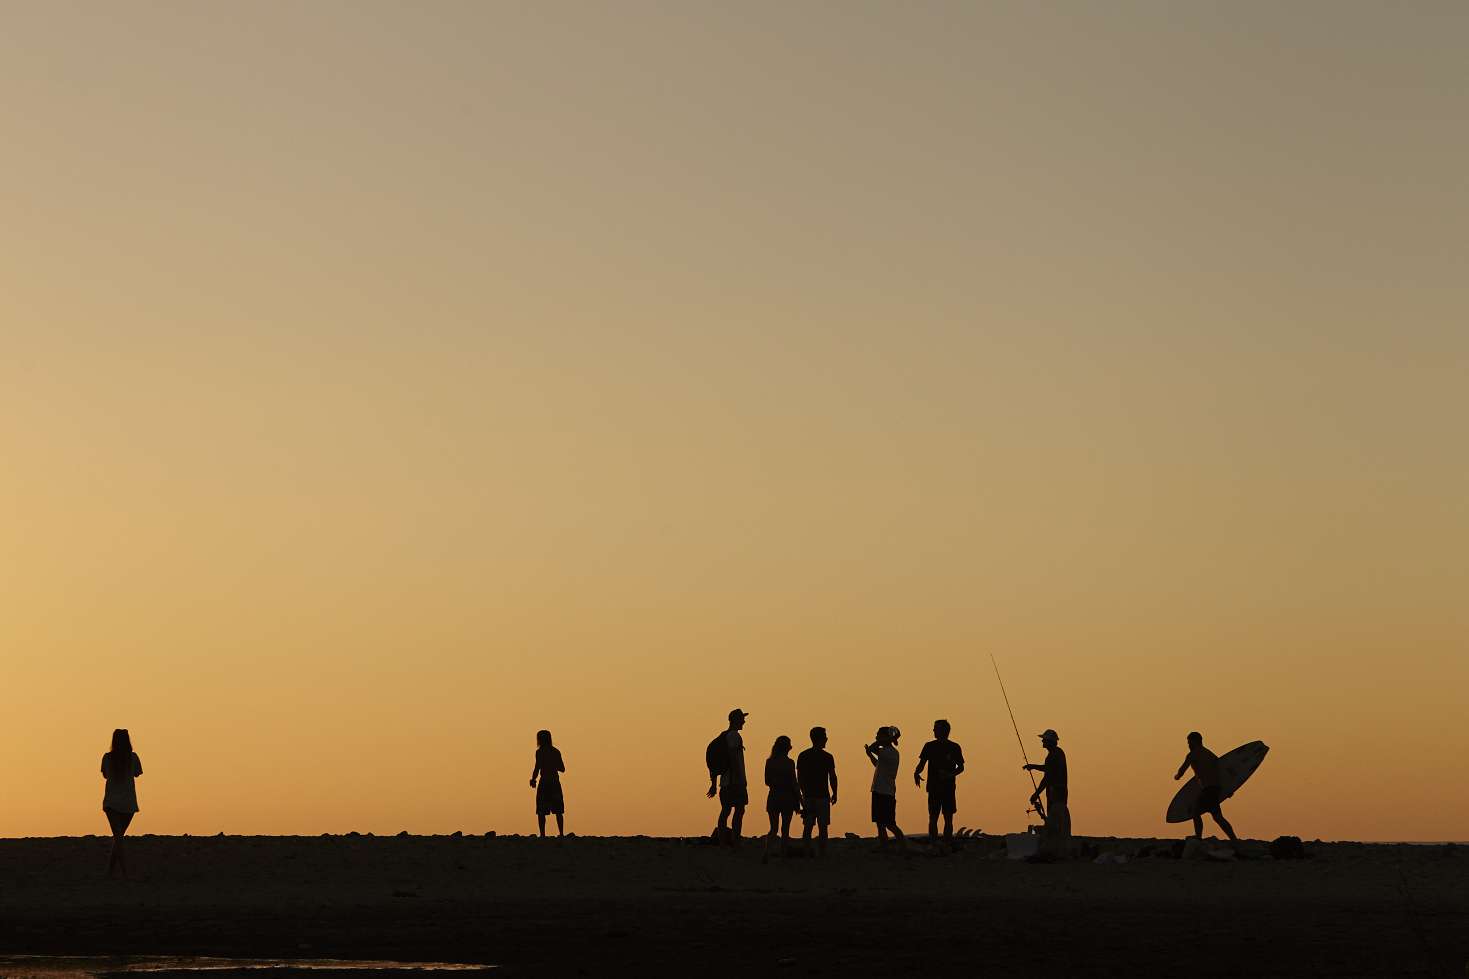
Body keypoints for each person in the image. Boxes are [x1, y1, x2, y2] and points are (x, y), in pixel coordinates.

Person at [1174, 731, 1238, 842]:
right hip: (1215, 788)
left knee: (1196, 812)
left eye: (1189, 742)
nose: (1188, 745)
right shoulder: (1209, 753)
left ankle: (1198, 837)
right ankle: (1233, 839)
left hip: (1208, 789)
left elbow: (1182, 769)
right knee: (1217, 817)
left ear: (1195, 742)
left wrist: (1177, 776)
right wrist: (1228, 788)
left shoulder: (1193, 754)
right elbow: (1220, 770)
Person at [914, 719, 965, 845]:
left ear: (944, 731)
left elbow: (961, 767)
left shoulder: (954, 747)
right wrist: (916, 772)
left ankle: (947, 843)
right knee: (933, 817)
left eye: (936, 729)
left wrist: (950, 775)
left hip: (948, 788)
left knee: (948, 818)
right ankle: (934, 843)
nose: (933, 731)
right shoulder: (929, 746)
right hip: (933, 787)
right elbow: (922, 764)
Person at [100, 728, 142, 879]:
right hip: (128, 802)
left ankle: (114, 872)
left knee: (118, 838)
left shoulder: (107, 758)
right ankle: (121, 872)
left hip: (112, 802)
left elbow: (105, 774)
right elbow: (137, 773)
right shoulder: (133, 758)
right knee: (119, 837)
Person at [706, 708, 749, 847]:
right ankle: (733, 840)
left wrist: (713, 784)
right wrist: (739, 778)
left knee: (726, 810)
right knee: (739, 810)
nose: (744, 721)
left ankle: (723, 840)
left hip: (725, 782)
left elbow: (717, 763)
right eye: (742, 718)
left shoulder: (724, 736)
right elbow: (732, 757)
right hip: (734, 782)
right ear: (736, 720)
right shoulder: (734, 736)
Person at [1023, 729, 1070, 846]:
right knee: (1058, 819)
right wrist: (1033, 766)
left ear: (1049, 741)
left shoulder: (1054, 755)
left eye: (1044, 739)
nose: (1042, 741)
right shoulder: (1058, 753)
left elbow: (1047, 777)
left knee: (1055, 819)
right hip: (1059, 791)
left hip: (1056, 791)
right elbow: (1048, 769)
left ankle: (1055, 843)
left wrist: (1036, 793)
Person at [796, 727, 838, 857]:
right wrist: (835, 792)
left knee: (808, 827)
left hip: (809, 796)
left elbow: (799, 778)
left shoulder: (803, 755)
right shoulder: (827, 757)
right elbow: (832, 776)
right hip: (821, 797)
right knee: (822, 827)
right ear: (820, 738)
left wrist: (802, 793)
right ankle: (822, 853)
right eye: (824, 736)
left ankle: (807, 852)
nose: (826, 739)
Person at [864, 725, 904, 848]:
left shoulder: (890, 752)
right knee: (880, 824)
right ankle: (886, 848)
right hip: (880, 791)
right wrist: (870, 755)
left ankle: (902, 846)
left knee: (890, 824)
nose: (876, 737)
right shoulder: (887, 752)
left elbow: (873, 747)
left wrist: (883, 740)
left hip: (885, 792)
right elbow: (878, 764)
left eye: (878, 735)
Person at [763, 735, 800, 861]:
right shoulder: (790, 763)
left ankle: (767, 852)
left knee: (773, 828)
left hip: (773, 796)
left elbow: (767, 781)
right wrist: (800, 801)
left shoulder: (769, 762)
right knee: (785, 829)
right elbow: (794, 784)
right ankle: (783, 854)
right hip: (787, 798)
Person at [529, 729, 566, 838]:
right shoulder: (555, 751)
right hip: (554, 781)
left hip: (544, 782)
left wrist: (533, 779)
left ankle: (543, 834)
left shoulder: (539, 752)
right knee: (558, 810)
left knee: (541, 810)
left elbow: (537, 767)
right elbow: (562, 768)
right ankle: (561, 833)